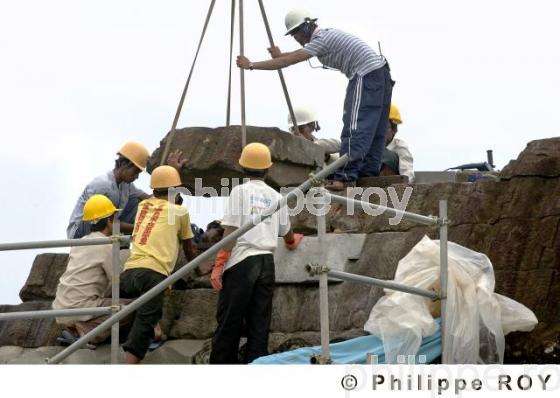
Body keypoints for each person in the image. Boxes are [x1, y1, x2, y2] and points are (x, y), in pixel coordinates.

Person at [237, 8, 393, 191]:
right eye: (293, 34)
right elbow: (297, 54)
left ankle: (346, 177)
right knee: (375, 129)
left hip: (365, 75)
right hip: (381, 73)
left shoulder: (322, 40)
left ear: (307, 27)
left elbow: (290, 60)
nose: (296, 37)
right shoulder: (325, 37)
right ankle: (368, 174)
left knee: (355, 126)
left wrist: (251, 65)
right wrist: (280, 55)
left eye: (297, 33)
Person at [209, 143, 304, 364]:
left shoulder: (240, 192)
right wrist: (293, 240)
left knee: (228, 324)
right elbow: (287, 234)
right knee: (259, 326)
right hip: (266, 264)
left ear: (243, 167)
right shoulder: (276, 196)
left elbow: (231, 233)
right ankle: (257, 373)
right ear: (267, 169)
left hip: (242, 262)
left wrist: (219, 263)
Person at [120, 165, 197, 364]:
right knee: (146, 319)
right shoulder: (179, 212)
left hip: (129, 273)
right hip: (152, 274)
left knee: (144, 308)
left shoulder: (143, 207)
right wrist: (198, 270)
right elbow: (189, 249)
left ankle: (155, 331)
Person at [53, 194, 132, 344]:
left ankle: (74, 328)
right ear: (109, 221)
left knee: (111, 298)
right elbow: (118, 280)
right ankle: (85, 334)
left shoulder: (80, 243)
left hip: (61, 308)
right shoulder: (106, 245)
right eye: (115, 219)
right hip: (81, 307)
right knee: (131, 308)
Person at [67, 142, 151, 239]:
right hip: (80, 233)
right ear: (124, 164)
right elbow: (109, 222)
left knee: (138, 203)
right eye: (135, 172)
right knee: (111, 206)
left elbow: (148, 198)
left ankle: (119, 246)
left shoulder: (126, 186)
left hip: (105, 226)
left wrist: (166, 184)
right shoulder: (103, 185)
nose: (136, 177)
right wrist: (139, 228)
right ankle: (116, 244)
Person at [380, 104, 414, 182]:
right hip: (370, 186)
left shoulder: (399, 146)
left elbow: (407, 172)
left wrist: (401, 186)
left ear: (394, 130)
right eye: (378, 127)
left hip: (393, 186)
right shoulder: (368, 147)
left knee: (388, 157)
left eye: (384, 127)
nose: (380, 131)